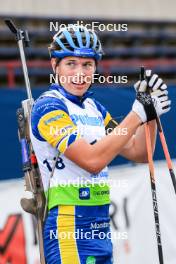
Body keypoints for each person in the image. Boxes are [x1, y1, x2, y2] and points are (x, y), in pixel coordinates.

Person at [30, 25, 171, 264]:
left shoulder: (94, 109)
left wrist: (149, 114)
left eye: (87, 65)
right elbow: (93, 161)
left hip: (100, 224)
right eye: (70, 63)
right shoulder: (48, 107)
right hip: (69, 226)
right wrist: (137, 113)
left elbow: (138, 152)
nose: (80, 73)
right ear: (55, 66)